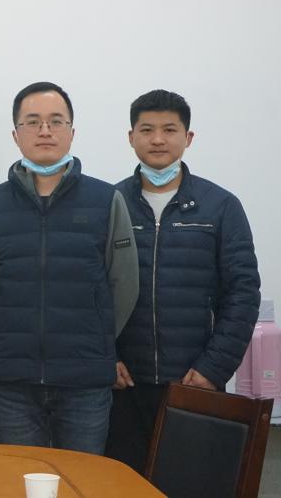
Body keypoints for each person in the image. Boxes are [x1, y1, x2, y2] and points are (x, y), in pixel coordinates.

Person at [0, 81, 139, 455]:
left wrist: (96, 336)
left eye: (56, 121)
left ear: (71, 132)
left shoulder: (106, 200)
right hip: (14, 381)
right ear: (16, 134)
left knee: (81, 479)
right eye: (33, 122)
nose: (45, 130)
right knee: (18, 477)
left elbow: (124, 284)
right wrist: (11, 327)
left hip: (85, 381)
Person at [105, 89, 260, 472]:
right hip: (124, 384)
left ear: (188, 138)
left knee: (192, 481)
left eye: (169, 129)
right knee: (123, 484)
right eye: (147, 130)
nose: (158, 139)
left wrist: (213, 368)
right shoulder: (108, 203)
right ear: (131, 137)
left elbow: (242, 294)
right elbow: (90, 292)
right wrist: (107, 358)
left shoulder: (220, 206)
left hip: (195, 382)